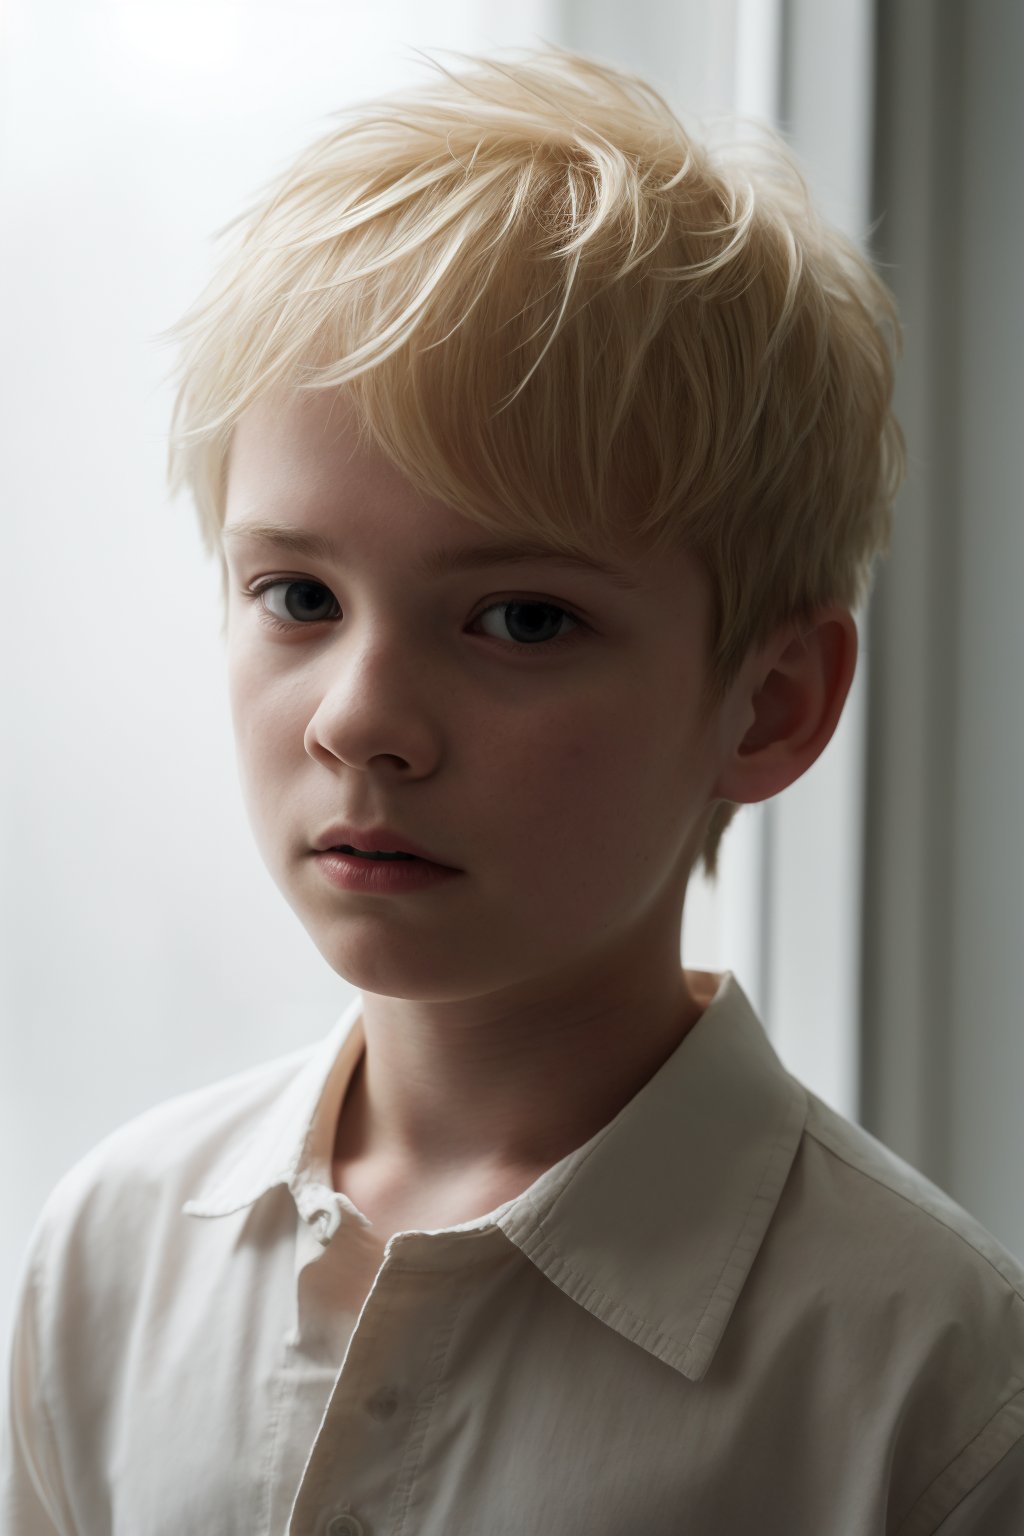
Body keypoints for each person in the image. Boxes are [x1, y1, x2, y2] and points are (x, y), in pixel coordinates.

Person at [3, 43, 1022, 1536]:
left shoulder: (925, 1382)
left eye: (522, 620)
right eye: (296, 596)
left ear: (772, 703)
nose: (360, 722)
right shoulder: (109, 1255)